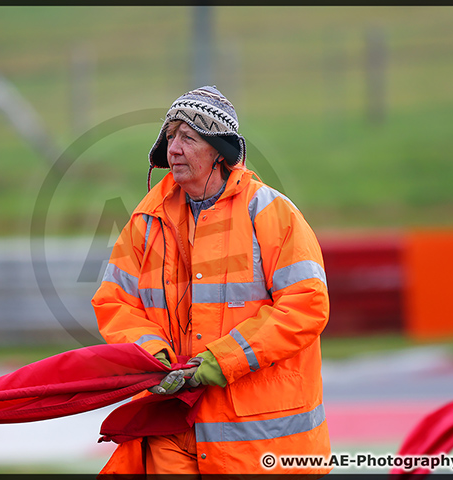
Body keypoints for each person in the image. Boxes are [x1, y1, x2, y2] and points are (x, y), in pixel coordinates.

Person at [91, 86, 331, 475]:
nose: (174, 148)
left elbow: (306, 304)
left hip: (257, 441)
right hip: (172, 425)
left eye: (188, 137)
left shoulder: (270, 212)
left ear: (219, 151)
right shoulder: (145, 219)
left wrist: (224, 360)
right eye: (170, 137)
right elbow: (114, 302)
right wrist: (153, 356)